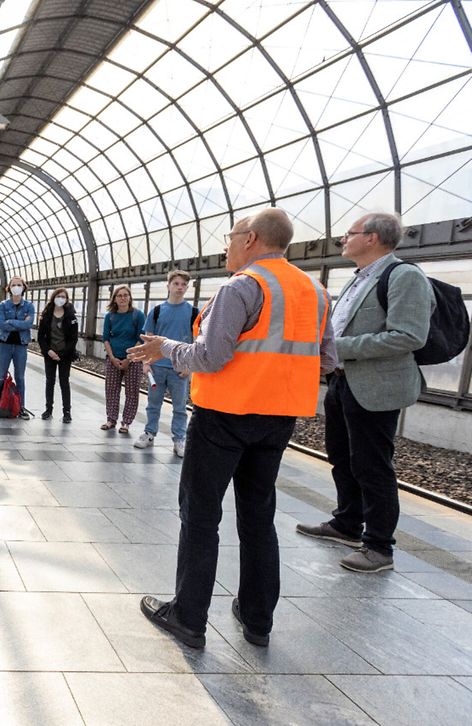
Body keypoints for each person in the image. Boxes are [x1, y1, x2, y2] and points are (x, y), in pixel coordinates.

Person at [128, 208, 335, 649]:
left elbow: (210, 357)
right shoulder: (316, 291)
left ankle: (189, 618)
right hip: (278, 420)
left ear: (251, 239)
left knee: (200, 516)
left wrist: (164, 347)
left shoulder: (244, 286)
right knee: (258, 516)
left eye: (231, 236)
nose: (226, 245)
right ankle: (258, 620)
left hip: (225, 416)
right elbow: (329, 360)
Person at [297, 213, 433, 573]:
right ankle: (346, 524)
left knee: (373, 466)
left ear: (372, 238)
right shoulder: (360, 278)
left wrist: (337, 346)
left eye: (350, 234)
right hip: (343, 381)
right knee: (342, 457)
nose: (344, 239)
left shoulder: (404, 276)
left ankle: (379, 547)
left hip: (375, 387)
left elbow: (408, 335)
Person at [135, 270, 195, 457]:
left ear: (187, 288)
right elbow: (148, 339)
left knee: (180, 407)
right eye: (176, 283)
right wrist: (146, 362)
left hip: (180, 368)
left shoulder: (193, 313)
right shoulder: (157, 311)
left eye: (183, 285)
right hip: (157, 366)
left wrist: (190, 368)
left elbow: (196, 342)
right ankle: (149, 433)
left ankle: (179, 439)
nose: (180, 287)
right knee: (153, 403)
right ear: (168, 285)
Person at [0, 275, 35, 419]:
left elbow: (29, 324)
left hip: (21, 345)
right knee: (0, 376)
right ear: (9, 287)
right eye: (13, 285)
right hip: (5, 344)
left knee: (20, 377)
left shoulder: (29, 306)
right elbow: (2, 325)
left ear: (23, 287)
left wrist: (11, 322)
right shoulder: (3, 305)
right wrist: (20, 322)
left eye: (19, 285)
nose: (16, 287)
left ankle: (21, 408)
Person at [102, 285, 146, 434]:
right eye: (119, 295)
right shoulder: (110, 316)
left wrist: (129, 358)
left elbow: (141, 338)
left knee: (132, 392)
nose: (122, 298)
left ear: (130, 297)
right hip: (113, 358)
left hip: (133, 359)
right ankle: (111, 419)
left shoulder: (138, 315)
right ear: (114, 299)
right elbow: (106, 339)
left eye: (125, 295)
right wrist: (113, 358)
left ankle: (126, 422)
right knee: (111, 390)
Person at [37, 288, 78, 423]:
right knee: (50, 381)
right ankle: (48, 409)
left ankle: (67, 411)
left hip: (65, 355)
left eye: (63, 297)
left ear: (66, 299)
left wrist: (64, 353)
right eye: (58, 296)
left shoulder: (71, 316)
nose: (60, 298)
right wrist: (48, 351)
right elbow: (41, 337)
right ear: (53, 297)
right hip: (50, 354)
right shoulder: (47, 314)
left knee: (64, 382)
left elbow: (74, 338)